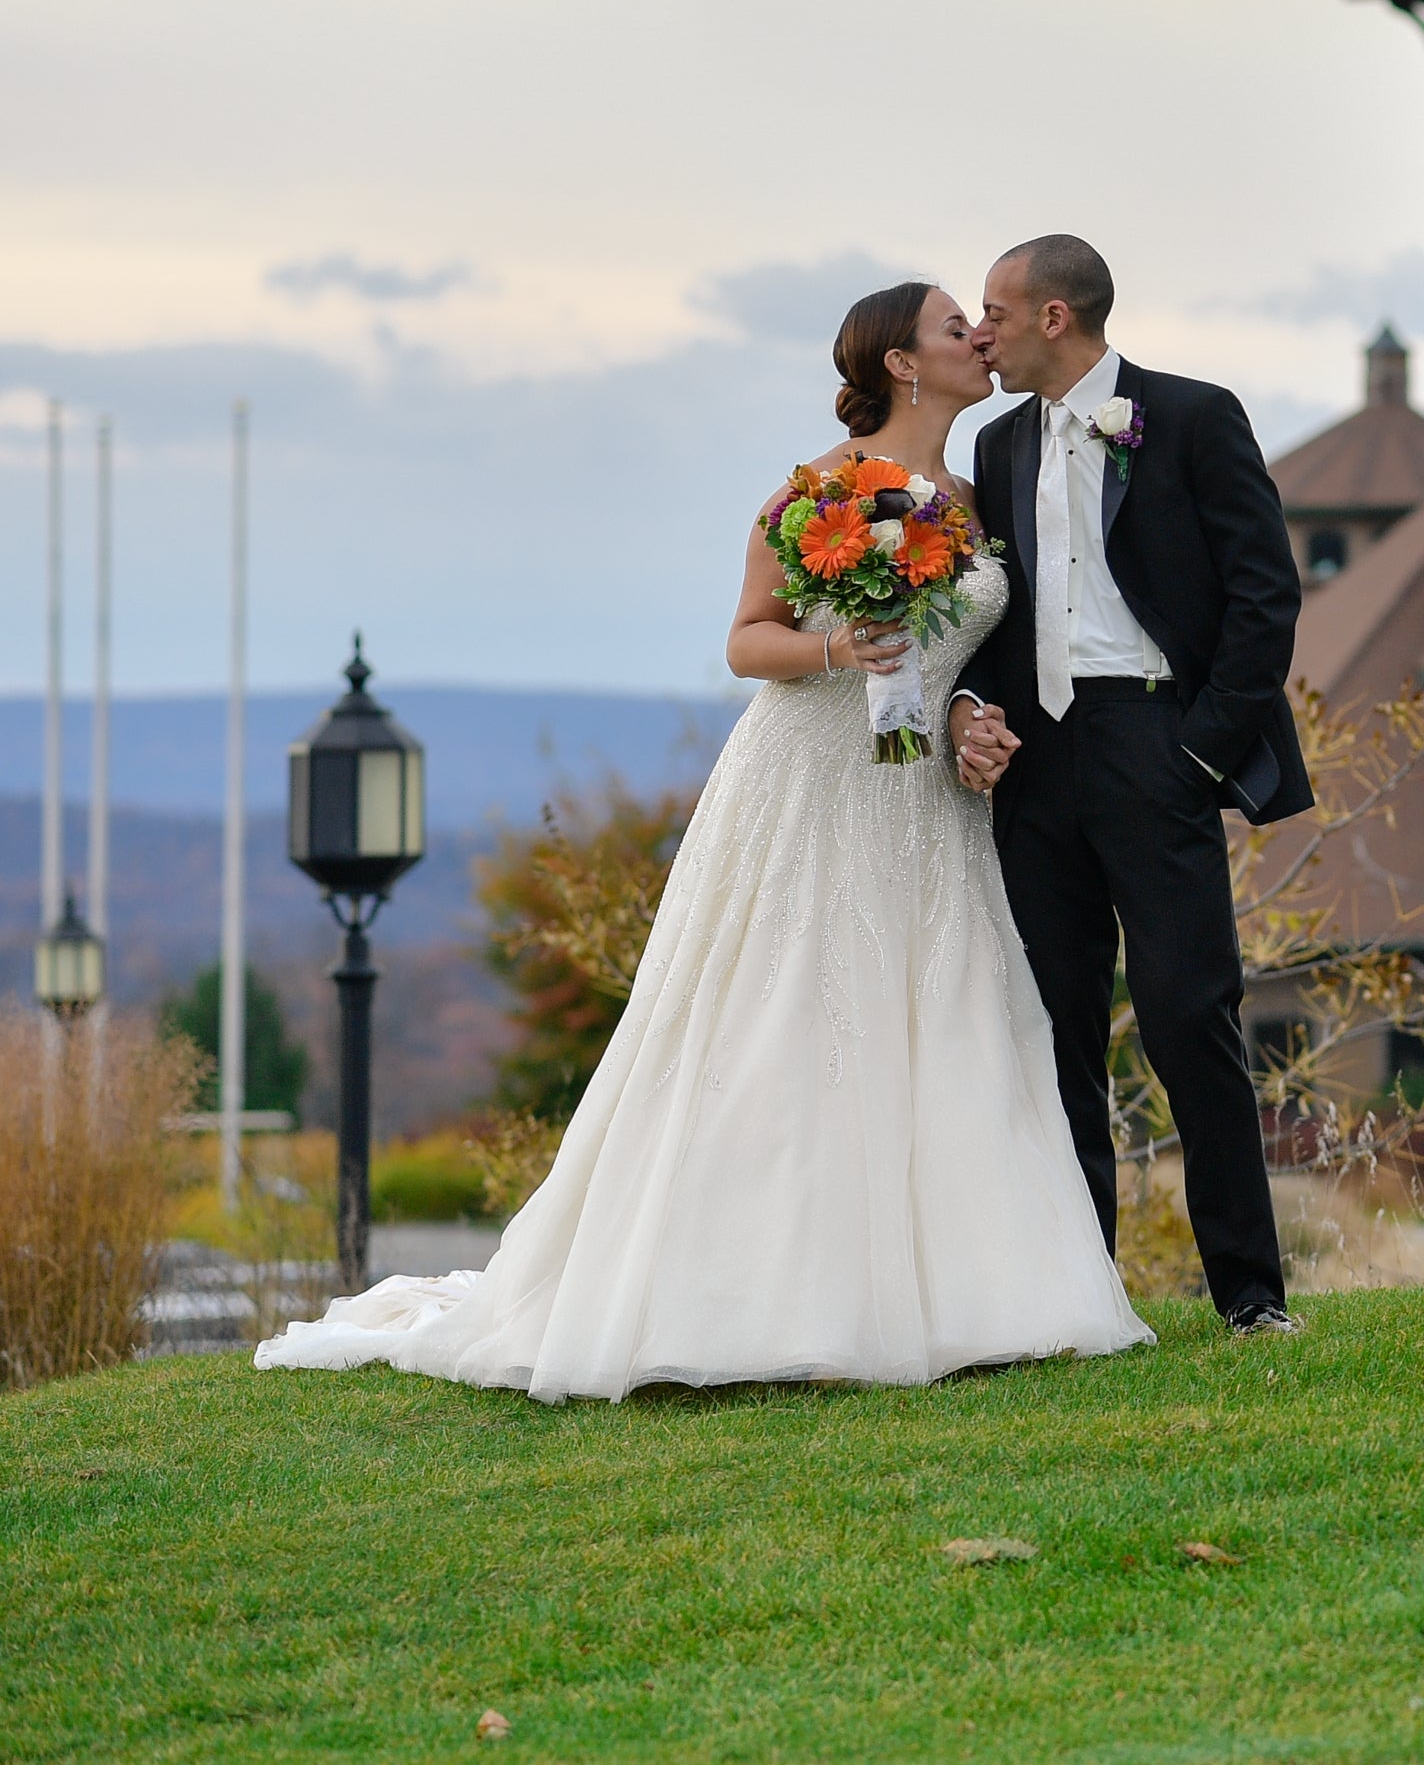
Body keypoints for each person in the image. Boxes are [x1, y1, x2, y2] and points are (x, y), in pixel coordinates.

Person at [257, 282, 1153, 1401]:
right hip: (808, 782)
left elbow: (967, 653)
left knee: (944, 1014)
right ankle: (758, 1294)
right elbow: (745, 641)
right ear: (904, 364)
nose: (978, 336)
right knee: (788, 1014)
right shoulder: (814, 491)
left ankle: (983, 1296)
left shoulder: (974, 500)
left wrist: (968, 710)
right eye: (950, 325)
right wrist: (844, 655)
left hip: (926, 800)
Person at [948, 233, 1313, 1338]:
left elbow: (1266, 597)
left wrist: (1199, 750)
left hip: (1157, 742)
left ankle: (1250, 1295)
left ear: (1057, 316)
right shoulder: (999, 442)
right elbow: (979, 608)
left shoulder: (1195, 415)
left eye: (996, 312)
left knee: (1189, 1015)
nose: (981, 332)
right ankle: (1083, 1295)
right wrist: (974, 710)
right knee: (1055, 1028)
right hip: (1036, 768)